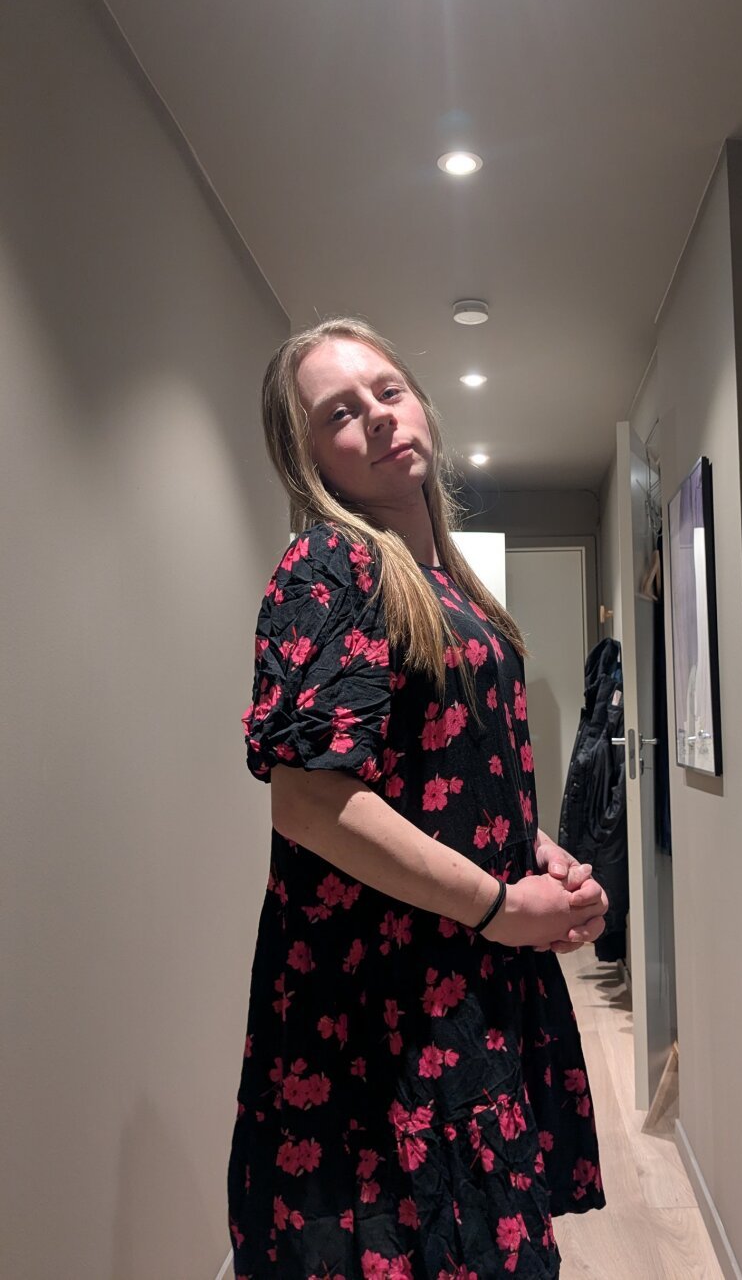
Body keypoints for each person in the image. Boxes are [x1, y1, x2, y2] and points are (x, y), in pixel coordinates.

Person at [228, 318, 608, 1279]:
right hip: (387, 999)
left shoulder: (451, 586)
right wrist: (495, 904)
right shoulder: (332, 567)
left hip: (461, 978)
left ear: (422, 406)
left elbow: (440, 768)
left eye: (387, 391)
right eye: (339, 413)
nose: (378, 418)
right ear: (306, 455)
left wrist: (538, 851)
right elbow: (311, 802)